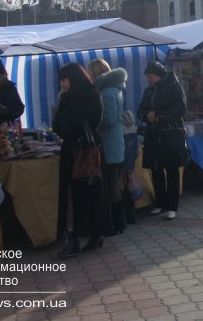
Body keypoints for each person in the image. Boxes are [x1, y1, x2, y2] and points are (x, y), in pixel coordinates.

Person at [53, 63, 112, 258]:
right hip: (71, 150)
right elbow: (57, 125)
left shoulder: (92, 95)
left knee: (90, 193)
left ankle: (95, 233)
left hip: (87, 151)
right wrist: (70, 124)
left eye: (64, 80)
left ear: (73, 79)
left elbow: (91, 120)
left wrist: (69, 124)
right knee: (73, 194)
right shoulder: (66, 98)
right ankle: (74, 237)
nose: (62, 84)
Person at [137, 61, 187, 220]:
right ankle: (160, 203)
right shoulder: (148, 91)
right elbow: (141, 110)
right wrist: (146, 116)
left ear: (157, 75)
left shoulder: (174, 86)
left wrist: (157, 115)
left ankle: (172, 206)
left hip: (170, 134)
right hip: (152, 135)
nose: (148, 79)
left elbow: (180, 109)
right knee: (156, 169)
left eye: (150, 76)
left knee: (171, 170)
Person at [87, 59, 130, 235]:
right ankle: (121, 221)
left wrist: (92, 121)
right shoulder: (115, 89)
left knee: (111, 182)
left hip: (109, 142)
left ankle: (116, 223)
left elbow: (109, 119)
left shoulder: (107, 92)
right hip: (115, 141)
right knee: (116, 181)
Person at [0, 59, 25, 134]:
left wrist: (8, 111)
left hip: (8, 129)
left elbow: (20, 107)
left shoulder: (10, 88)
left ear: (3, 77)